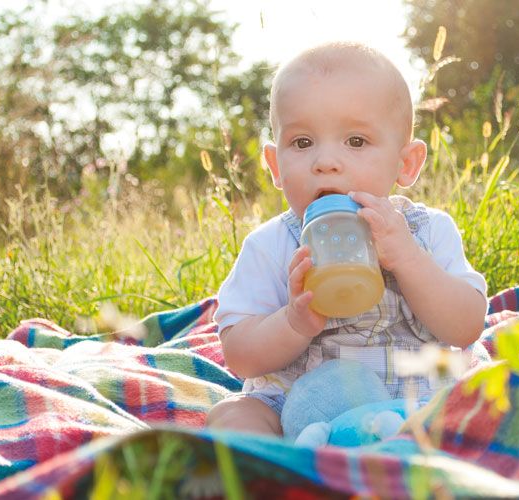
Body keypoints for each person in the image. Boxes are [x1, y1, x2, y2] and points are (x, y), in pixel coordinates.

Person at [206, 42, 487, 436]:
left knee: (491, 397)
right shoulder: (271, 245)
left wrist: (408, 259)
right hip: (299, 403)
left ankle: (396, 447)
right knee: (235, 414)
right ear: (275, 165)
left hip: (416, 396)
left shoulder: (426, 231)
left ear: (406, 164)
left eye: (356, 141)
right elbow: (241, 357)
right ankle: (278, 467)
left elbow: (466, 326)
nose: (325, 161)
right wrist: (292, 322)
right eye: (302, 142)